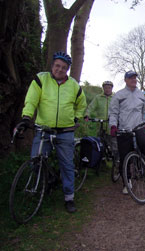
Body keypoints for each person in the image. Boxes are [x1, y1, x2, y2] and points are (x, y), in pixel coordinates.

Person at [16, 52, 87, 213]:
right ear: (52, 65)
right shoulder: (41, 79)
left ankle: (69, 197)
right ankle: (42, 187)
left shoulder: (74, 85)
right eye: (57, 66)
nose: (59, 69)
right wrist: (27, 117)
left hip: (66, 131)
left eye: (64, 67)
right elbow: (32, 99)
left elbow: (82, 104)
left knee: (67, 165)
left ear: (68, 69)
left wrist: (76, 118)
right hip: (44, 129)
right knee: (36, 161)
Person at [109, 71, 145, 194]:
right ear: (125, 80)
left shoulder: (141, 95)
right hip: (124, 130)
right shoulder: (119, 95)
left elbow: (142, 111)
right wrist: (113, 126)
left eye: (135, 78)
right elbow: (113, 113)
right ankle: (127, 183)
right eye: (131, 78)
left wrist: (143, 122)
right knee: (125, 158)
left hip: (138, 127)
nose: (134, 80)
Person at [84, 81, 118, 158]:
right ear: (103, 88)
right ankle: (101, 160)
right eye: (105, 87)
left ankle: (116, 162)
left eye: (109, 88)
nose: (107, 89)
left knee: (114, 145)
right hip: (101, 125)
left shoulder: (115, 98)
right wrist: (87, 115)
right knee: (100, 144)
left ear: (112, 88)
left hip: (112, 125)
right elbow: (91, 107)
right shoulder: (98, 98)